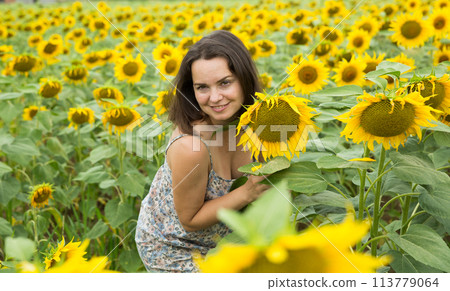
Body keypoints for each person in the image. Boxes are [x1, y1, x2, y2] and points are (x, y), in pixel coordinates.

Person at [135, 30, 271, 273]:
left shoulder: (257, 123)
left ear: (244, 79)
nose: (215, 98)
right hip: (175, 248)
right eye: (202, 88)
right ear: (192, 90)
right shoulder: (191, 147)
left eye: (225, 82)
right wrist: (249, 192)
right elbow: (190, 221)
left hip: (229, 239)